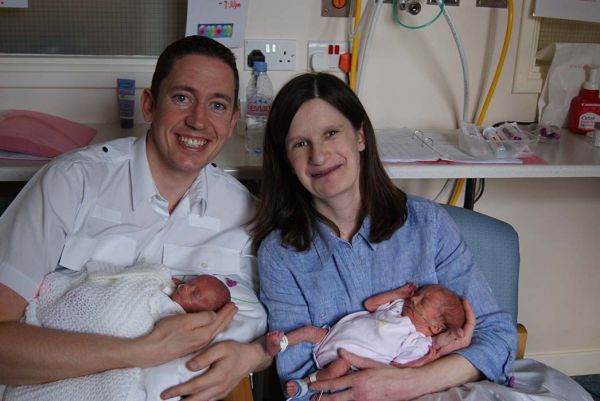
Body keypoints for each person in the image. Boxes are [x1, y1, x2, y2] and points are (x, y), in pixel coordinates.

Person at [0, 35, 272, 401]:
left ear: (233, 120)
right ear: (149, 105)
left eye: (218, 105)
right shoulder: (72, 183)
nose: (198, 121)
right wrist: (139, 352)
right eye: (182, 98)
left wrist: (253, 356)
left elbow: (273, 328)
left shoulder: (246, 213)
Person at [249, 72, 516, 401]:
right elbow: (301, 388)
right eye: (300, 143)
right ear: (287, 160)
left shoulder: (428, 225)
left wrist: (412, 382)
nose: (318, 155)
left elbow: (499, 337)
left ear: (360, 136)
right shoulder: (280, 255)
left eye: (331, 133)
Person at [3, 263, 264, 401]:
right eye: (190, 283)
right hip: (86, 326)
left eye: (195, 294)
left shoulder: (179, 319)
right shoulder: (161, 288)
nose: (185, 288)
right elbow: (128, 282)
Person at [265, 283, 466, 399]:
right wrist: (397, 294)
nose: (414, 299)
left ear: (435, 327)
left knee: (338, 368)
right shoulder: (399, 307)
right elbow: (370, 304)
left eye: (423, 301)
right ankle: (280, 344)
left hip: (347, 360)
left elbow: (400, 368)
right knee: (308, 331)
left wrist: (424, 361)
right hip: (332, 335)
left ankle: (306, 383)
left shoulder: (418, 342)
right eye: (418, 295)